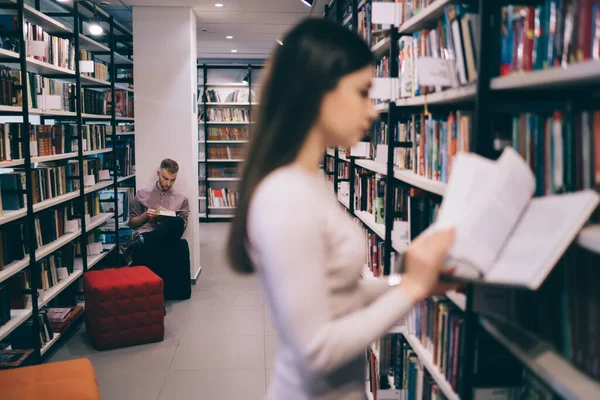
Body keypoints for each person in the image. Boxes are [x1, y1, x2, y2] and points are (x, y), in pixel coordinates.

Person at [226, 18, 457, 400]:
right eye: (363, 92)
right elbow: (317, 350)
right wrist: (412, 288)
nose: (372, 111)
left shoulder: (309, 181)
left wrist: (407, 281)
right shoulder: (285, 195)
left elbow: (339, 296)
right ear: (320, 91)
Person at [119, 159, 191, 300]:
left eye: (172, 180)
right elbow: (132, 223)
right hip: (148, 232)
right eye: (165, 178)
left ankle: (139, 242)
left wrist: (171, 220)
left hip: (166, 237)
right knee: (153, 246)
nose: (168, 183)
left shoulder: (182, 198)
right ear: (158, 173)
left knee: (177, 221)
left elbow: (181, 228)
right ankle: (155, 297)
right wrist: (145, 216)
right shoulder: (142, 194)